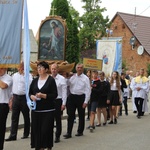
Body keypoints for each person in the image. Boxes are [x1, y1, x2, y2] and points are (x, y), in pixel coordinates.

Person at [29, 61, 58, 150]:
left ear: (46, 69)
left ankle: (47, 145)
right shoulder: (34, 80)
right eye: (38, 68)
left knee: (45, 130)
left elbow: (54, 95)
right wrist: (32, 96)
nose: (39, 69)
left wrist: (44, 96)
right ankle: (39, 147)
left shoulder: (51, 80)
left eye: (41, 68)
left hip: (47, 110)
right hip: (36, 110)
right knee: (36, 130)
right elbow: (29, 93)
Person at [5, 62, 32, 141]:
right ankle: (13, 135)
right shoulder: (14, 76)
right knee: (14, 117)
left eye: (21, 66)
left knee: (26, 116)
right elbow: (11, 88)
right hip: (16, 97)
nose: (19, 68)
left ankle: (26, 133)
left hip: (24, 98)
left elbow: (30, 83)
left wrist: (23, 75)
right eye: (18, 67)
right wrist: (11, 99)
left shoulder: (28, 75)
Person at [63, 63, 91, 139]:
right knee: (70, 115)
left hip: (81, 97)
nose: (79, 69)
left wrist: (86, 101)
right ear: (76, 68)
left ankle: (80, 131)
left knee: (81, 115)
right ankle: (69, 132)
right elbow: (67, 84)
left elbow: (88, 90)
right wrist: (67, 77)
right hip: (72, 97)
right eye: (78, 67)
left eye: (81, 67)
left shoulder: (85, 78)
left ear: (83, 69)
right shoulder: (73, 76)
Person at [51, 63, 67, 143]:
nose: (53, 70)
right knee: (49, 119)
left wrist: (63, 103)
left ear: (58, 70)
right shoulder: (48, 78)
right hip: (50, 101)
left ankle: (57, 135)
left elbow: (64, 92)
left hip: (58, 100)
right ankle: (49, 135)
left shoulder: (61, 79)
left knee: (57, 119)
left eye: (55, 69)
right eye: (52, 69)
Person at [0, 68, 13, 150]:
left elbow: (3, 86)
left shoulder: (8, 78)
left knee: (0, 127)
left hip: (2, 105)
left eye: (1, 68)